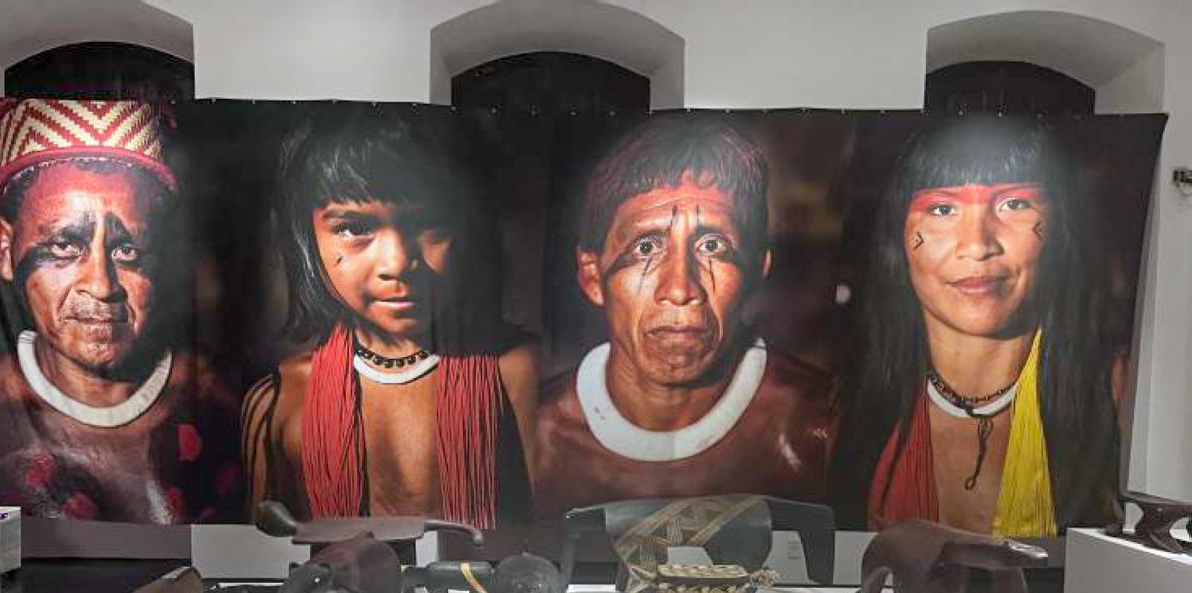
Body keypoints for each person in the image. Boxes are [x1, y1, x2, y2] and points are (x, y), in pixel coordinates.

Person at [242, 108, 537, 528]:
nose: (397, 263)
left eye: (430, 222)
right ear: (305, 240)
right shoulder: (281, 400)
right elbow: (259, 553)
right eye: (353, 227)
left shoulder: (517, 374)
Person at [829, 115, 1121, 536]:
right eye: (942, 209)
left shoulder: (1116, 392)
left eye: (1014, 204)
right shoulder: (842, 408)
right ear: (898, 236)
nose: (979, 245)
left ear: (1061, 229)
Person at [533, 114, 831, 518]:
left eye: (712, 246)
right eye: (645, 248)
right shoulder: (532, 438)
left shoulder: (821, 429)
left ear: (756, 269)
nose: (679, 289)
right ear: (592, 276)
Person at [0, 98, 242, 522]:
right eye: (64, 245)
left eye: (127, 250)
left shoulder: (217, 407)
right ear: (5, 248)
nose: (102, 286)